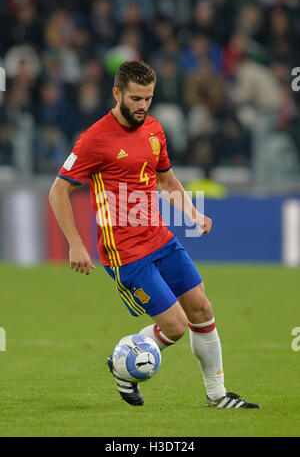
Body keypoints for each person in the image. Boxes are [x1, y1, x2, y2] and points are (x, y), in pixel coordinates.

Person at [49, 60, 261, 409]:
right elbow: (58, 191)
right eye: (135, 98)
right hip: (126, 254)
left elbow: (165, 180)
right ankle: (123, 363)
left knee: (201, 308)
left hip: (160, 238)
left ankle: (218, 396)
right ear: (117, 93)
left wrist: (192, 213)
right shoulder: (93, 139)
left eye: (148, 98)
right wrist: (75, 243)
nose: (142, 106)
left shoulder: (154, 130)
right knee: (176, 326)